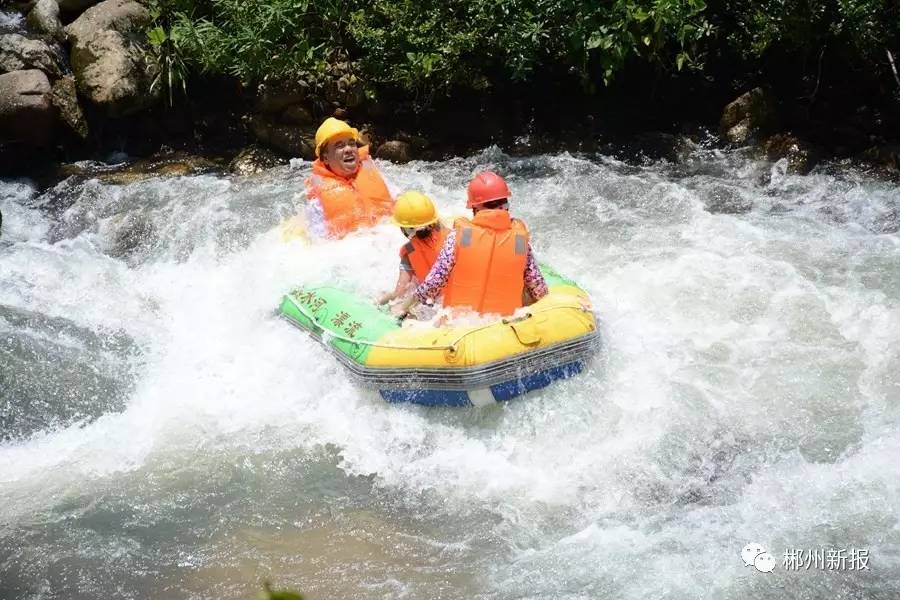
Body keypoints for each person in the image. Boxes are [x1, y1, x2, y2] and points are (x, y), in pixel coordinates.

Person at [393, 171, 548, 319]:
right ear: (506, 205)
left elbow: (433, 284)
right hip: (506, 323)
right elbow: (537, 286)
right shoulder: (520, 241)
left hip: (462, 324)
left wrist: (404, 306)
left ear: (475, 208)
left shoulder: (459, 236)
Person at [304, 117, 394, 239]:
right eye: (339, 146)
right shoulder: (318, 197)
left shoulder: (372, 171)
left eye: (352, 143)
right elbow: (319, 243)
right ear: (325, 158)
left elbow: (400, 203)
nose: (348, 149)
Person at [378, 191, 448, 305]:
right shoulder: (455, 237)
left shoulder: (409, 250)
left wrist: (377, 302)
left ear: (404, 229)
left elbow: (399, 292)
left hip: (431, 304)